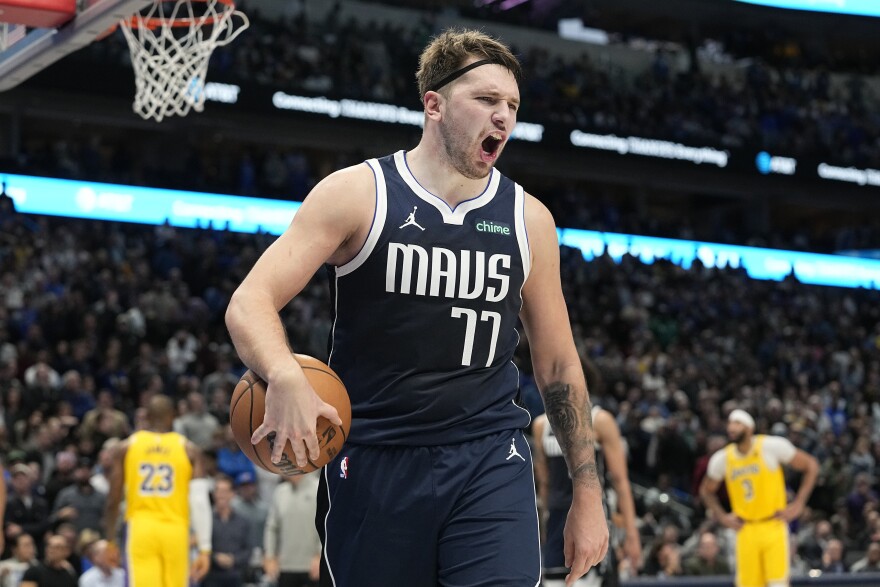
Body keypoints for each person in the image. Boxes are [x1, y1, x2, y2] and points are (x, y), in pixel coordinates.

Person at [225, 27, 608, 587]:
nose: (503, 116)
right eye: (485, 100)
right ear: (434, 104)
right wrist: (283, 375)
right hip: (375, 460)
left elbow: (557, 366)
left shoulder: (530, 221)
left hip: (488, 456)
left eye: (512, 105)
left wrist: (588, 493)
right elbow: (249, 301)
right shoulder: (357, 193)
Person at [700, 409, 819, 587]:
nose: (731, 427)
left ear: (749, 428)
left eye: (737, 423)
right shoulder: (723, 458)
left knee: (778, 584)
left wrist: (799, 503)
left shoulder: (770, 446)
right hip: (745, 529)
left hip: (773, 525)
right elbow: (706, 490)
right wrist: (722, 516)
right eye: (730, 423)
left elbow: (811, 465)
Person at [102, 395, 212, 587]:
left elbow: (113, 500)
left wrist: (110, 541)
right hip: (176, 529)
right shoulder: (189, 450)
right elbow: (199, 502)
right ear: (173, 417)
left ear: (147, 416)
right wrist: (204, 548)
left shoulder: (126, 447)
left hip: (141, 528)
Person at [533, 400, 641, 586]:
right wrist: (542, 525)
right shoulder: (541, 424)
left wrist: (632, 534)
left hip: (591, 515)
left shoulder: (600, 419)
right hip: (556, 518)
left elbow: (620, 481)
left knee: (592, 580)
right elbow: (544, 482)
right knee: (554, 581)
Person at [263, 473, 321, 587]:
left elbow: (327, 526)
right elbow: (271, 528)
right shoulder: (280, 492)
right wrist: (269, 556)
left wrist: (321, 555)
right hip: (285, 566)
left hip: (313, 566)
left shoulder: (318, 487)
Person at [202, 476, 252, 587]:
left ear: (232, 494)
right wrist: (215, 557)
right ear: (214, 494)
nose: (221, 495)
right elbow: (199, 547)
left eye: (224, 491)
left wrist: (233, 560)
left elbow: (248, 550)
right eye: (218, 491)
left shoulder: (243, 522)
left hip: (236, 577)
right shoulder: (205, 520)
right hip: (211, 577)